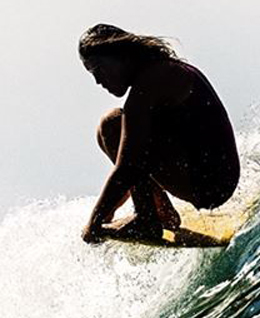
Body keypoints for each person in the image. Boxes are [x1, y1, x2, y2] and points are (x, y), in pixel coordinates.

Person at [78, 23, 239, 244]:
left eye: (99, 70)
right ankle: (161, 214)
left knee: (113, 125)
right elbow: (128, 175)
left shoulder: (151, 83)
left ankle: (146, 219)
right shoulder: (160, 71)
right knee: (112, 128)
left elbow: (128, 167)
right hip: (208, 176)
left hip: (210, 183)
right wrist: (107, 212)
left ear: (121, 56)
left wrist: (94, 223)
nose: (98, 81)